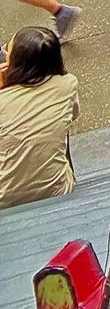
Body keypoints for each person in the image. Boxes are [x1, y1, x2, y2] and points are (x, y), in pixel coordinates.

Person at [0, 26, 79, 209]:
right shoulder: (68, 83)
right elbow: (73, 115)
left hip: (5, 199)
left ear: (14, 63)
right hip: (57, 191)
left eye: (8, 52)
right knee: (59, 129)